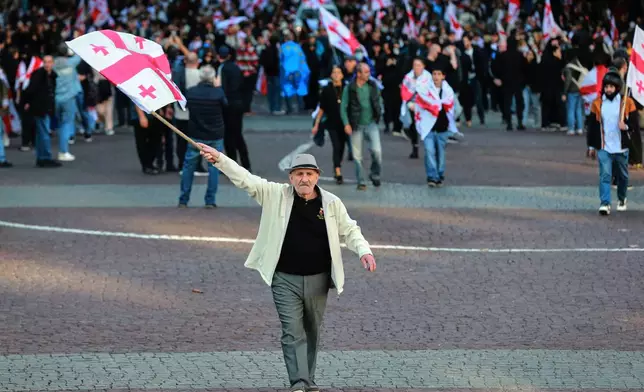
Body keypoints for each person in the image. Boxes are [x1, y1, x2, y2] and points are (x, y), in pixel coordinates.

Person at [198, 147, 376, 392]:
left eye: (309, 174)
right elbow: (246, 179)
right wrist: (220, 159)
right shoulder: (275, 194)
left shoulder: (332, 203)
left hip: (319, 279)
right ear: (290, 177)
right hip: (284, 279)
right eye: (299, 174)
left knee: (312, 330)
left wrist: (364, 251)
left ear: (317, 177)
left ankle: (308, 379)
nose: (305, 179)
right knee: (292, 331)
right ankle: (298, 383)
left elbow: (351, 230)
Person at [587, 69, 639, 215]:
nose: (608, 89)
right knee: (605, 175)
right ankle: (605, 203)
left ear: (617, 87)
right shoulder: (597, 103)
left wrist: (626, 126)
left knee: (623, 176)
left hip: (621, 148)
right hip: (604, 146)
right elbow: (592, 126)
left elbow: (635, 125)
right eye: (606, 86)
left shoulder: (627, 103)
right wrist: (591, 145)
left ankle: (622, 198)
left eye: (611, 87)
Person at [178, 66, 227, 208]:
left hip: (195, 135)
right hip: (215, 134)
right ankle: (210, 200)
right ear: (213, 77)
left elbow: (185, 107)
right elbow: (226, 106)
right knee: (214, 168)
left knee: (188, 167)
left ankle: (183, 199)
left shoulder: (191, 92)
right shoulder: (218, 93)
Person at [408, 61, 458, 187]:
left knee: (440, 153)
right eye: (434, 74)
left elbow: (450, 108)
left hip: (442, 128)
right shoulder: (426, 90)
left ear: (443, 76)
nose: (436, 76)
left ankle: (439, 174)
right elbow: (420, 102)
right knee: (429, 151)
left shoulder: (447, 92)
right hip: (428, 127)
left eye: (438, 74)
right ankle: (432, 176)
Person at [340, 63, 382, 190]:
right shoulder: (350, 88)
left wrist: (379, 112)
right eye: (366, 72)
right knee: (357, 155)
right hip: (356, 125)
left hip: (371, 123)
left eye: (369, 72)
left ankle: (375, 175)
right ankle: (361, 181)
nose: (369, 74)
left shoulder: (372, 85)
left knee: (377, 151)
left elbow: (378, 100)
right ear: (358, 74)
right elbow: (343, 107)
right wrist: (346, 123)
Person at [22, 55, 61, 168]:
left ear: (53, 63)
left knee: (41, 134)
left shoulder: (52, 75)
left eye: (49, 62)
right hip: (40, 108)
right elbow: (30, 90)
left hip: (44, 107)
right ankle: (46, 157)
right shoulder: (39, 75)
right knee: (44, 133)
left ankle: (41, 157)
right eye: (45, 62)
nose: (47, 64)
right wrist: (28, 102)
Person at [312, 65, 348, 184]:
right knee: (336, 146)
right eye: (334, 72)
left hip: (344, 123)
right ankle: (338, 171)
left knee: (342, 147)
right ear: (331, 75)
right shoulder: (326, 90)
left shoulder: (347, 89)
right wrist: (316, 125)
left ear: (342, 75)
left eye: (339, 72)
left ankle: (337, 165)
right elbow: (321, 109)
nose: (336, 74)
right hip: (331, 124)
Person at [218, 45, 252, 171]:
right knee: (238, 134)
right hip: (238, 103)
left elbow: (223, 88)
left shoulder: (223, 69)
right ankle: (246, 163)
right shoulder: (236, 68)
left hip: (228, 105)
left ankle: (231, 166)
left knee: (228, 136)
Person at [53, 43, 82, 161]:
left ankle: (63, 147)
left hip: (56, 97)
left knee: (60, 124)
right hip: (68, 97)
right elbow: (80, 55)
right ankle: (63, 151)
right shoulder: (72, 62)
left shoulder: (53, 64)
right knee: (66, 124)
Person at [400, 57, 430, 159]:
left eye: (418, 65)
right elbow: (404, 91)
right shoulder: (408, 77)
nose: (416, 67)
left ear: (423, 66)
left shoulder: (428, 77)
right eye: (415, 65)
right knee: (411, 125)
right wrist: (409, 104)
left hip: (425, 104)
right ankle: (415, 147)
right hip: (411, 104)